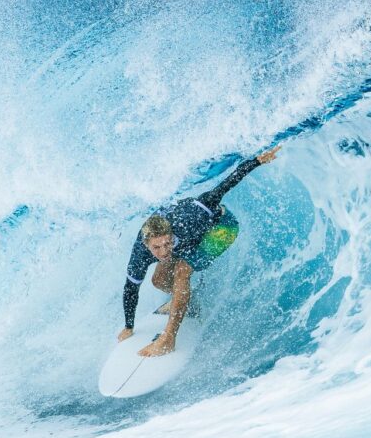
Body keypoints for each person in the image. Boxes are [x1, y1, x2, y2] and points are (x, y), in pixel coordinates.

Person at [118, 146, 281, 356]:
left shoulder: (190, 217)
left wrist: (257, 161)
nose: (164, 251)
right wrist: (128, 326)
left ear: (171, 233)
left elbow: (224, 186)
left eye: (167, 244)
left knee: (182, 270)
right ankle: (189, 302)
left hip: (221, 229)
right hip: (190, 239)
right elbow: (131, 289)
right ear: (147, 244)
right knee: (158, 281)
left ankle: (169, 339)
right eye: (156, 248)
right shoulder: (140, 252)